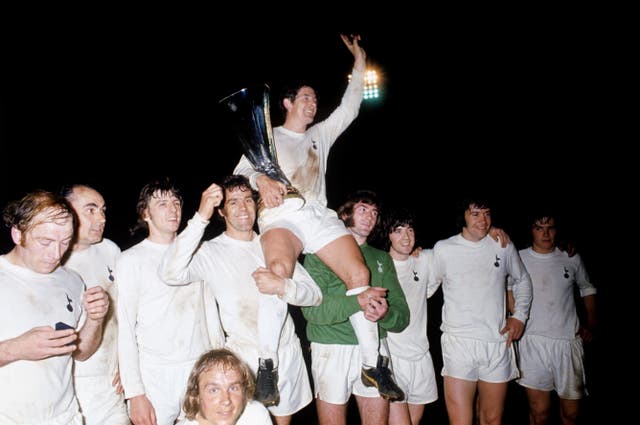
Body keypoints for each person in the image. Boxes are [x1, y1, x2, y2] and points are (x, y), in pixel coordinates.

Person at [233, 33, 398, 399]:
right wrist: (260, 178)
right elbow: (238, 175)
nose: (313, 103)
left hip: (317, 214)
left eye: (315, 98)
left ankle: (372, 366)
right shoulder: (269, 138)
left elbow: (350, 107)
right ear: (288, 102)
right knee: (278, 273)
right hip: (281, 217)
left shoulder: (320, 135)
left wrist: (359, 62)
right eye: (306, 98)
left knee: (359, 274)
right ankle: (267, 366)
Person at [159, 175, 322, 425]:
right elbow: (170, 272)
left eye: (248, 200)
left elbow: (314, 294)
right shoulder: (210, 251)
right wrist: (201, 216)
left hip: (286, 353)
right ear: (221, 212)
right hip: (242, 361)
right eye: (233, 202)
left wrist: (284, 286)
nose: (243, 208)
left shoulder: (274, 242)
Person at [116, 178, 225, 425]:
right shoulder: (130, 260)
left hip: (199, 369)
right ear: (145, 213)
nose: (173, 209)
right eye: (162, 203)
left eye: (176, 202)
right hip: (155, 375)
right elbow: (124, 329)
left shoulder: (198, 251)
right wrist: (135, 393)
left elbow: (211, 313)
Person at [0, 190, 110, 424]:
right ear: (17, 234)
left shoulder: (71, 280)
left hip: (65, 416)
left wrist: (95, 319)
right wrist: (13, 349)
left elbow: (81, 353)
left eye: (64, 242)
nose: (56, 254)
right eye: (46, 242)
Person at [302, 190, 410, 425]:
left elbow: (402, 316)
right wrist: (356, 302)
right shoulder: (317, 255)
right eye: (362, 209)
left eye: (374, 212)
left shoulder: (382, 258)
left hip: (376, 351)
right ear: (344, 215)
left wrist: (386, 313)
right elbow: (311, 311)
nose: (370, 216)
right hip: (331, 348)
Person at [427, 195, 532, 425]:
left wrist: (520, 317)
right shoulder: (444, 249)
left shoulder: (502, 245)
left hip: (497, 342)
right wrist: (411, 257)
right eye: (475, 214)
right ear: (462, 216)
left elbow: (522, 280)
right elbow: (425, 288)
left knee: (492, 419)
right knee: (461, 421)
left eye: (487, 214)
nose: (483, 220)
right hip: (459, 343)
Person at [509, 211, 597, 425]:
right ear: (531, 230)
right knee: (539, 414)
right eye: (539, 228)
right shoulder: (518, 257)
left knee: (571, 415)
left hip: (567, 342)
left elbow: (587, 289)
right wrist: (519, 319)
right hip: (533, 343)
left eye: (550, 228)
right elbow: (507, 288)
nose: (545, 233)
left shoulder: (570, 256)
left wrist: (591, 324)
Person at [61, 183, 131, 424]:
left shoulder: (110, 250)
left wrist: (128, 362)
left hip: (112, 382)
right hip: (75, 385)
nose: (101, 218)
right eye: (91, 210)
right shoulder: (55, 264)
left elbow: (126, 311)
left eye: (103, 210)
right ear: (65, 211)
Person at [380, 208, 439, 425]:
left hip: (421, 356)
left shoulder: (424, 259)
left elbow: (458, 246)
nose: (406, 237)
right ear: (387, 234)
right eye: (398, 230)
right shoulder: (380, 265)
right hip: (392, 358)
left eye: (410, 229)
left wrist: (492, 231)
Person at [177, 348, 272, 425]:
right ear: (196, 395)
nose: (226, 401)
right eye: (214, 390)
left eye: (233, 388)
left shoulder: (257, 416)